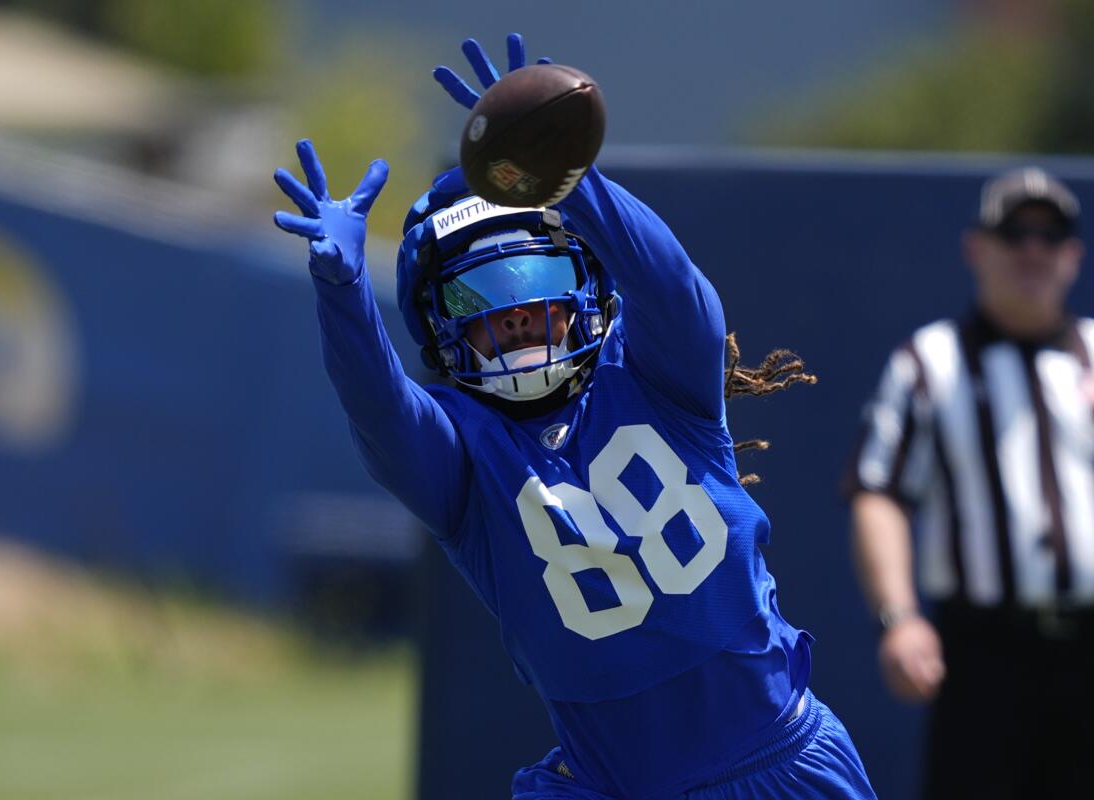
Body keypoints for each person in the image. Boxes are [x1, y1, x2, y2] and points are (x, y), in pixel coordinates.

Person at [274, 33, 875, 800]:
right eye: (480, 300)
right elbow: (381, 414)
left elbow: (672, 284)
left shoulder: (663, 377)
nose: (518, 312)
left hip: (780, 760)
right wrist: (344, 293)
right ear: (440, 328)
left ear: (586, 280)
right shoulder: (466, 456)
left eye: (533, 277)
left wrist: (570, 171)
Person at [846, 166, 1094, 799]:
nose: (1032, 250)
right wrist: (899, 617)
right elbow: (879, 492)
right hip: (986, 654)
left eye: (1050, 234)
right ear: (976, 248)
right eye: (1016, 232)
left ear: (1073, 254)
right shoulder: (929, 363)